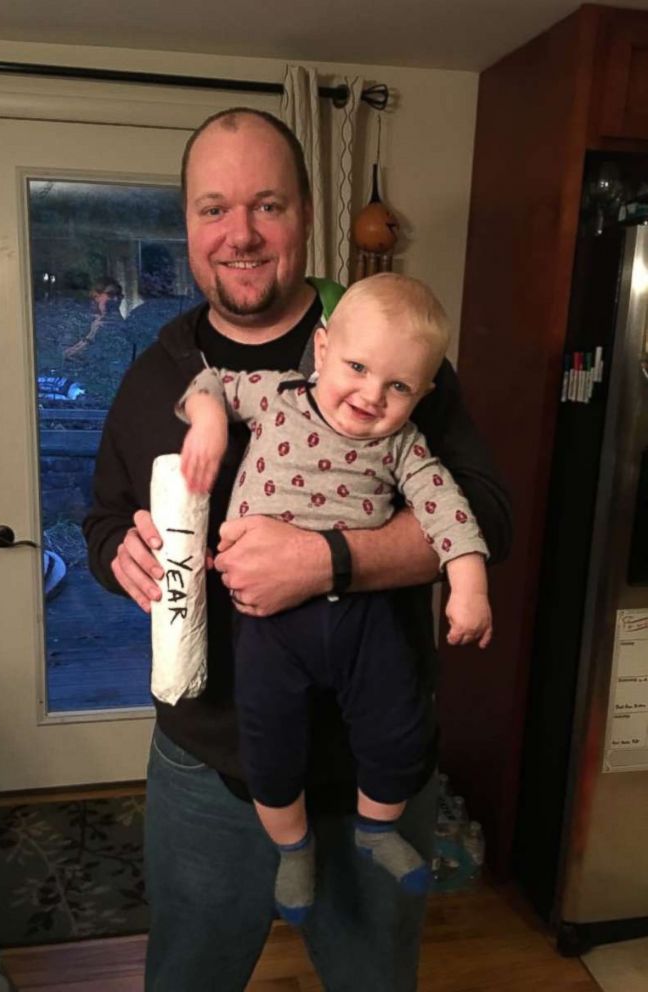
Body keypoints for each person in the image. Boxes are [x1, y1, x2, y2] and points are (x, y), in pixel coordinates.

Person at [83, 107, 512, 992]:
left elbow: (487, 515)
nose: (240, 234)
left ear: (307, 215)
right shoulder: (158, 371)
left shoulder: (382, 344)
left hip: (371, 766)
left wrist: (331, 562)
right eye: (213, 208)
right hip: (208, 767)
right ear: (188, 225)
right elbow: (103, 518)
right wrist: (113, 555)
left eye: (266, 204)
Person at [177, 271, 492, 924]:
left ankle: (377, 831)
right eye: (356, 366)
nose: (371, 396)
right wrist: (208, 421)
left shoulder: (404, 446)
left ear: (422, 393)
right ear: (322, 351)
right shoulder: (277, 397)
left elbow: (449, 510)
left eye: (399, 386)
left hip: (363, 614)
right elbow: (210, 384)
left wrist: (469, 586)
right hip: (270, 624)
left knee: (399, 726)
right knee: (266, 741)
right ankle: (292, 846)